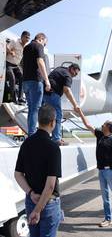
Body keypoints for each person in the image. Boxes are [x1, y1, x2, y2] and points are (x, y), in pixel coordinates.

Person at [14, 104, 62, 237]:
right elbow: (50, 185)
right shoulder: (53, 148)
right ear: (52, 122)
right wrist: (38, 209)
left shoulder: (26, 144)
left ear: (39, 120)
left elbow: (18, 174)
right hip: (48, 204)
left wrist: (31, 193)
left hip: (31, 201)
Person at [79, 113, 112, 233]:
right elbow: (87, 125)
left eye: (104, 124)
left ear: (108, 128)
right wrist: (79, 112)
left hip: (110, 172)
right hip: (101, 171)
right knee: (105, 197)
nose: (101, 125)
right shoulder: (100, 135)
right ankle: (108, 218)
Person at [43, 63, 81, 145]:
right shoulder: (68, 75)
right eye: (75, 73)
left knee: (46, 116)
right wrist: (75, 105)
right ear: (71, 69)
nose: (75, 75)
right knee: (58, 115)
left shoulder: (60, 69)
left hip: (44, 93)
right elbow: (66, 90)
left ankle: (46, 137)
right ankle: (56, 139)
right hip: (53, 94)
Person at [22, 33, 51, 136]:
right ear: (41, 39)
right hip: (35, 81)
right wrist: (46, 80)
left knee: (31, 109)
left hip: (25, 81)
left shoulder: (26, 47)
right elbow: (40, 62)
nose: (44, 46)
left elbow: (22, 64)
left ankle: (30, 133)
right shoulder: (38, 46)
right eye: (45, 43)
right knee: (36, 109)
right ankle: (32, 133)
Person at [5, 30, 30, 104]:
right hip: (9, 63)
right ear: (22, 37)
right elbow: (6, 47)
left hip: (16, 65)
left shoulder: (25, 46)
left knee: (23, 77)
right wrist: (10, 52)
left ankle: (20, 97)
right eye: (26, 38)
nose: (27, 40)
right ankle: (12, 98)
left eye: (28, 38)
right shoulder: (14, 41)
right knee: (12, 79)